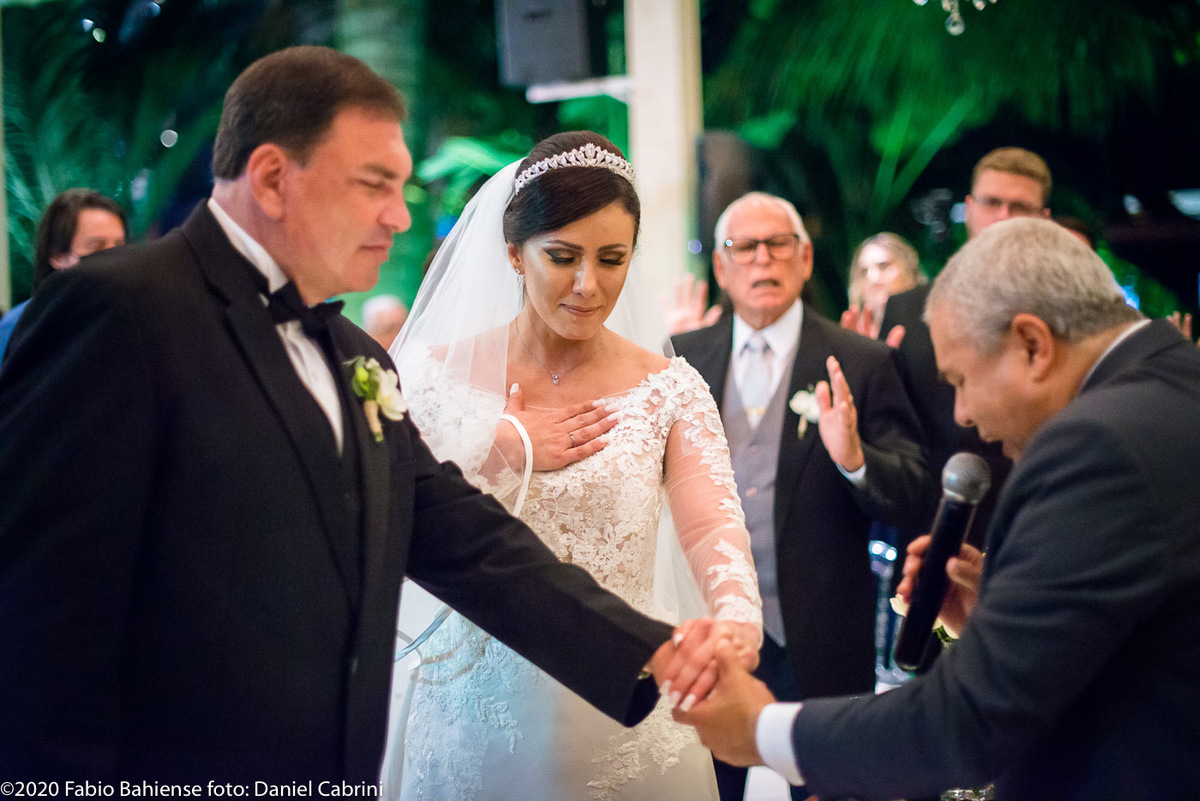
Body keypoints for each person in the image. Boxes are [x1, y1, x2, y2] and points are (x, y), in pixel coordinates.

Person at [0, 47, 722, 785]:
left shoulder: (356, 358)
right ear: (273, 178)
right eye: (375, 184)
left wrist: (655, 655)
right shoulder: (120, 311)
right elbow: (41, 617)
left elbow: (465, 541)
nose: (398, 216)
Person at [678, 217, 1200, 801]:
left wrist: (760, 730)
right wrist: (1005, 614)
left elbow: (966, 722)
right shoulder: (1178, 384)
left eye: (961, 380)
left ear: (1033, 345)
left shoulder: (1096, 447)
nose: (962, 414)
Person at [387, 131, 763, 801]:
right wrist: (499, 446)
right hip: (473, 711)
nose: (589, 285)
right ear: (514, 253)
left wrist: (736, 614)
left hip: (628, 701)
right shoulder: (429, 376)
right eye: (562, 257)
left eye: (612, 259)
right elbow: (394, 512)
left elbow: (711, 525)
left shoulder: (670, 387)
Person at [671, 191, 930, 801]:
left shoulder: (861, 361)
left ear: (806, 259)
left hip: (823, 637)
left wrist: (856, 459)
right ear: (721, 268)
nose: (763, 260)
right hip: (708, 630)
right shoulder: (680, 359)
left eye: (778, 244)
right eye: (744, 247)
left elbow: (913, 490)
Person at [879, 146, 1052, 544]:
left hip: (1038, 528)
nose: (1003, 217)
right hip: (929, 534)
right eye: (991, 203)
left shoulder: (1063, 317)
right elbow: (894, 436)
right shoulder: (905, 311)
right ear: (970, 209)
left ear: (1043, 220)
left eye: (1019, 207)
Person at [0, 188, 127, 363]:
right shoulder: (16, 328)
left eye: (120, 246)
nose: (114, 257)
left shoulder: (134, 319)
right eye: (97, 247)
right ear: (57, 256)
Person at [841, 231, 923, 345]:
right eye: (864, 272)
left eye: (884, 266)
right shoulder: (852, 339)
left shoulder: (935, 322)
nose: (873, 279)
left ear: (909, 271)